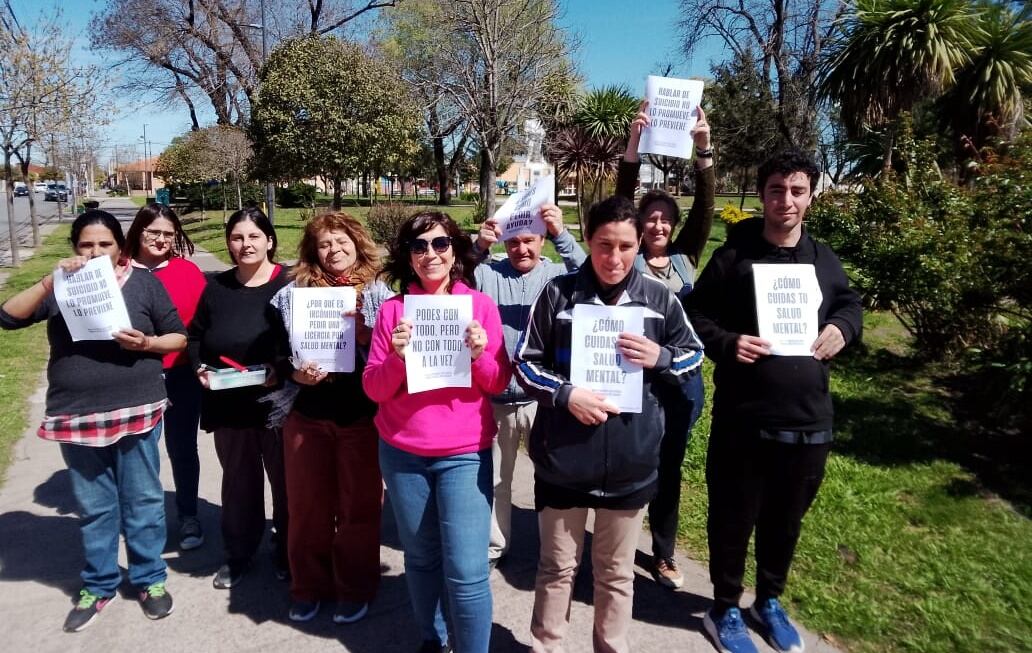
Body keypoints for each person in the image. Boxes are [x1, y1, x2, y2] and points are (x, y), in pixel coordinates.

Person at [685, 149, 862, 653]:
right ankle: (723, 608)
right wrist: (728, 343)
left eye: (797, 190)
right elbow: (695, 315)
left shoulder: (822, 258)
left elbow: (849, 304)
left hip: (809, 422)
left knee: (785, 521)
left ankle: (769, 600)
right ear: (762, 196)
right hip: (744, 419)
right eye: (776, 190)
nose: (786, 200)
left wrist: (842, 328)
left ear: (811, 197)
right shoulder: (734, 257)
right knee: (733, 516)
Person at [514, 196, 705, 653]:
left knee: (616, 574)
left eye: (624, 246)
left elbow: (694, 353)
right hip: (564, 463)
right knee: (557, 568)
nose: (613, 258)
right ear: (588, 239)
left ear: (638, 243)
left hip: (631, 465)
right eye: (603, 245)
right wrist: (566, 394)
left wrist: (660, 357)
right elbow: (524, 361)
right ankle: (547, 646)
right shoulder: (559, 294)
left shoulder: (659, 300)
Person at [0, 210, 185, 632]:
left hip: (136, 409)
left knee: (142, 501)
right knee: (95, 507)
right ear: (74, 248)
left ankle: (149, 580)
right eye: (87, 244)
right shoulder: (62, 286)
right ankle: (99, 584)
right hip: (77, 413)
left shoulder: (143, 283)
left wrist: (149, 343)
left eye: (105, 244)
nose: (96, 252)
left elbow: (177, 336)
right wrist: (51, 281)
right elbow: (8, 317)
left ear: (120, 247)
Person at [362, 211, 511, 653]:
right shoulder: (393, 310)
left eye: (440, 244)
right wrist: (397, 358)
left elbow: (498, 381)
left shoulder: (478, 307)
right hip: (403, 452)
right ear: (407, 256)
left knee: (466, 571)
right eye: (419, 246)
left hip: (464, 453)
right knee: (422, 559)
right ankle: (433, 639)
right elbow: (374, 387)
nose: (430, 254)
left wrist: (482, 354)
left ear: (455, 250)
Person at [269, 213, 393, 624]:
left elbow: (396, 352)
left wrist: (366, 335)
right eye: (324, 244)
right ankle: (307, 587)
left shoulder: (380, 293)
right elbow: (274, 352)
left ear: (357, 244)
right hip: (307, 415)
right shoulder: (292, 296)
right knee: (306, 508)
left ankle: (355, 587)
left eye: (341, 242)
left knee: (358, 509)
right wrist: (293, 371)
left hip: (361, 417)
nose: (334, 250)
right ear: (312, 251)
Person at [615, 102, 715, 589]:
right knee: (633, 459)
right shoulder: (628, 259)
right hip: (634, 378)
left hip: (681, 381)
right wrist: (633, 148)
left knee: (670, 467)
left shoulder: (685, 257)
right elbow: (621, 198)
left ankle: (665, 553)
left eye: (663, 220)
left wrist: (703, 152)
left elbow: (706, 207)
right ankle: (613, 541)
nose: (656, 226)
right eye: (649, 219)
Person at [471, 202, 586, 568]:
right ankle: (494, 547)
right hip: (497, 397)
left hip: (544, 400)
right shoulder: (488, 273)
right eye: (514, 242)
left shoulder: (555, 275)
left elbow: (590, 273)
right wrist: (478, 247)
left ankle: (555, 552)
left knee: (553, 480)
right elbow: (453, 277)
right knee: (496, 481)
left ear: (542, 240)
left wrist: (563, 235)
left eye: (531, 240)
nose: (522, 249)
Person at [188, 207, 291, 590]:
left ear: (269, 240)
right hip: (229, 405)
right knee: (238, 484)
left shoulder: (292, 284)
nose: (245, 244)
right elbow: (195, 335)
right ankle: (239, 553)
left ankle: (287, 550)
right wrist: (199, 367)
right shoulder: (216, 287)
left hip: (278, 405)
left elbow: (304, 339)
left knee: (287, 485)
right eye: (237, 237)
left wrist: (282, 369)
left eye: (253, 236)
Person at [125, 203, 208, 551]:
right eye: (153, 232)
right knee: (139, 457)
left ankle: (188, 515)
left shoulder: (187, 272)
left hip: (180, 376)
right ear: (138, 231)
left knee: (182, 448)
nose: (160, 239)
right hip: (132, 377)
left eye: (167, 234)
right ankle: (144, 525)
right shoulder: (118, 271)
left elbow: (205, 324)